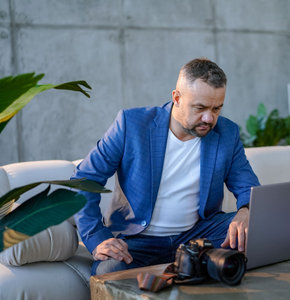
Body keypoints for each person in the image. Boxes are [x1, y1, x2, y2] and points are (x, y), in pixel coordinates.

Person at [72, 58, 260, 275]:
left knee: (257, 232)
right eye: (200, 107)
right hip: (137, 241)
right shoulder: (131, 125)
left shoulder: (227, 133)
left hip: (198, 236)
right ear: (177, 98)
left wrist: (245, 211)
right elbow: (84, 180)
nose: (209, 118)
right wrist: (97, 239)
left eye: (217, 108)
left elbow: (248, 186)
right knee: (110, 272)